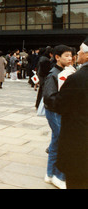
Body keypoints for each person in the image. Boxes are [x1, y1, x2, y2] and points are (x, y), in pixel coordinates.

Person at [55, 38, 88, 189]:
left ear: (87, 55)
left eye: (80, 51)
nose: (77, 54)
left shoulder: (76, 79)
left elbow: (60, 106)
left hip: (79, 144)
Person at [42, 44, 73, 189]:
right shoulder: (53, 74)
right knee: (63, 142)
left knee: (55, 142)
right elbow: (48, 97)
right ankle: (59, 175)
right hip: (54, 111)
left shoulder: (65, 71)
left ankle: (49, 174)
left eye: (71, 55)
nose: (70, 58)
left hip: (59, 111)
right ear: (57, 57)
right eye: (66, 55)